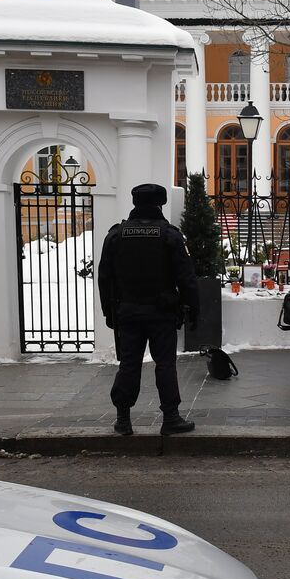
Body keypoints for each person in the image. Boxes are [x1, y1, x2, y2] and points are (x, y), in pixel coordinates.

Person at [97, 183, 198, 437]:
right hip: (161, 313)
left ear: (135, 203)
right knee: (165, 364)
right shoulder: (170, 235)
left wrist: (109, 312)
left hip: (128, 312)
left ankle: (123, 419)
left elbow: (104, 277)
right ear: (160, 204)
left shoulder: (116, 235)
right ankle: (171, 418)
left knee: (129, 364)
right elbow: (186, 278)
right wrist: (193, 309)